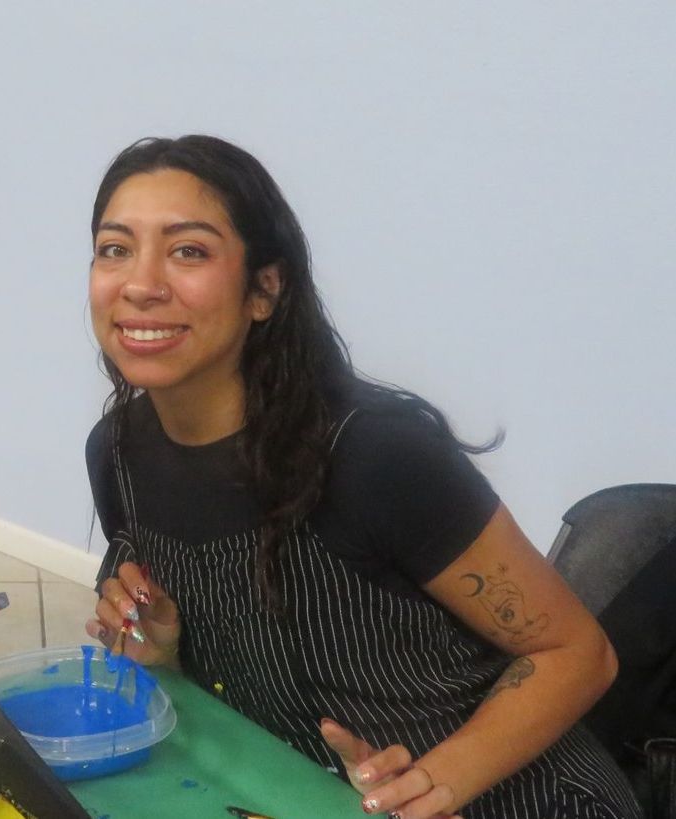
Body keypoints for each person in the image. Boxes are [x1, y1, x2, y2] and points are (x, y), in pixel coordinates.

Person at [83, 136, 642, 819]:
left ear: (264, 289)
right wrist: (165, 655)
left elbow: (577, 653)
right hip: (305, 794)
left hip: (515, 800)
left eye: (188, 250)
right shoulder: (117, 453)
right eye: (115, 248)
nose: (139, 284)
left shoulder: (373, 454)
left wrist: (432, 785)